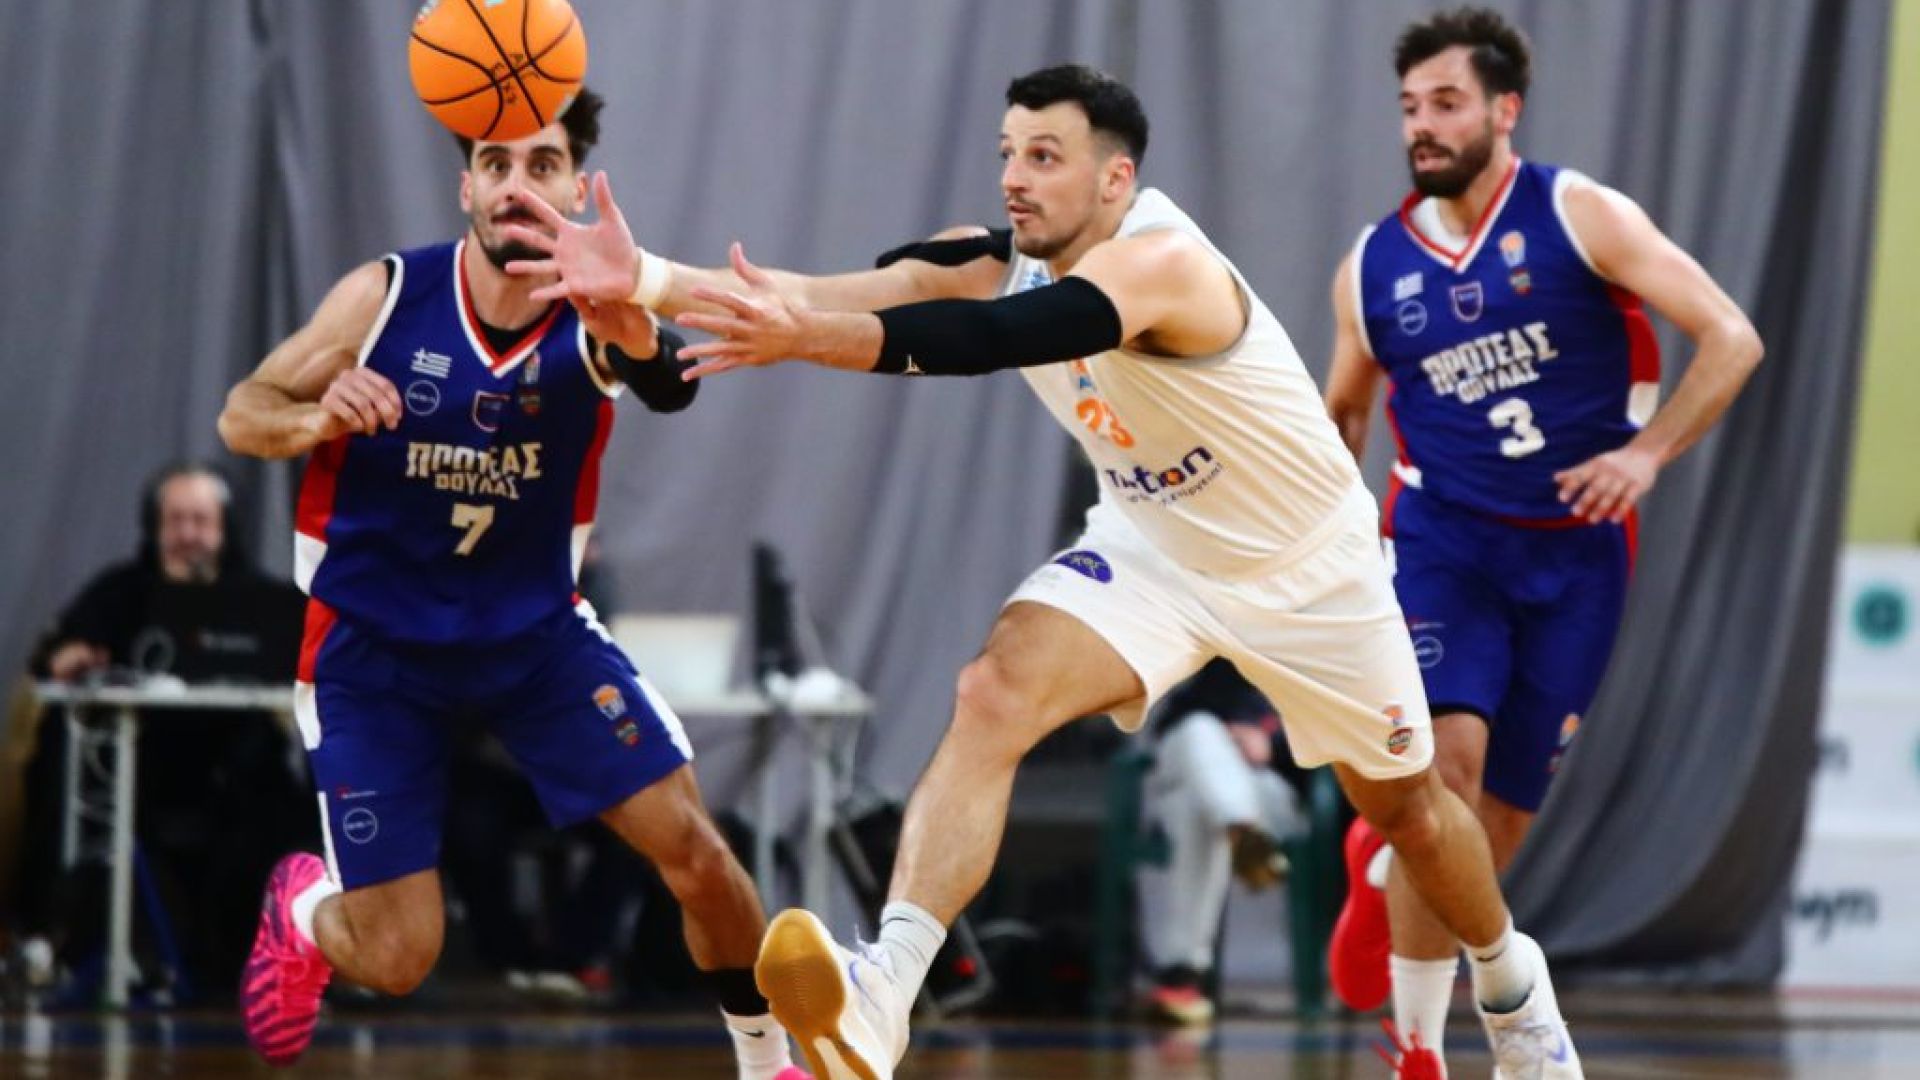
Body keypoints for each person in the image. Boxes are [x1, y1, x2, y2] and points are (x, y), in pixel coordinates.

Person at [506, 63, 1586, 1080]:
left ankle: (1512, 991)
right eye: (1008, 153)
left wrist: (808, 339)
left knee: (1410, 812)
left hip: (1308, 572)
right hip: (1154, 548)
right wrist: (645, 277)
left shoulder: (1165, 262)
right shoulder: (990, 253)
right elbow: (804, 291)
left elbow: (998, 337)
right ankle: (883, 995)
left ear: (1116, 179)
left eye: (1045, 156)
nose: (1016, 177)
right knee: (993, 691)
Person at [215, 89, 808, 1079]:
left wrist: (633, 326)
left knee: (698, 855)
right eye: (496, 164)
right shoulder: (385, 298)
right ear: (468, 188)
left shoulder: (594, 311)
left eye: (542, 164)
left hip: (532, 642)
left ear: (575, 188)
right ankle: (306, 910)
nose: (517, 186)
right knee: (400, 958)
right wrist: (316, 417)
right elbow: (245, 411)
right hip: (375, 650)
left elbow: (665, 380)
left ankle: (768, 1061)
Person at [1321, 8, 1763, 1074]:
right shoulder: (1372, 267)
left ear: (1504, 109)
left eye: (1446, 104)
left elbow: (1731, 337)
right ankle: (1417, 1047)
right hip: (1443, 544)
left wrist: (1647, 455)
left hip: (1576, 556)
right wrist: (1328, 547)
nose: (1422, 127)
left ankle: (1384, 860)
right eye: (1409, 108)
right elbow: (1343, 416)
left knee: (1494, 829)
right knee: (1449, 768)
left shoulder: (1577, 213)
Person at [4, 463, 312, 999]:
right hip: (136, 769)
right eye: (176, 520)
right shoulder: (120, 592)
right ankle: (64, 943)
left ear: (224, 527)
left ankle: (263, 967)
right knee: (64, 781)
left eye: (201, 520)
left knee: (293, 814)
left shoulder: (266, 600)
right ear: (155, 526)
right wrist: (70, 657)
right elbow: (56, 655)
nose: (188, 534)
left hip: (238, 775)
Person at [1139, 661, 1300, 1027]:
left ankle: (1181, 973)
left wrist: (1273, 745)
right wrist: (1229, 736)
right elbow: (1172, 722)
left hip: (1269, 792)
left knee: (1195, 809)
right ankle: (1241, 829)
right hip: (1208, 778)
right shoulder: (1226, 659)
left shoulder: (1325, 660)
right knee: (1198, 732)